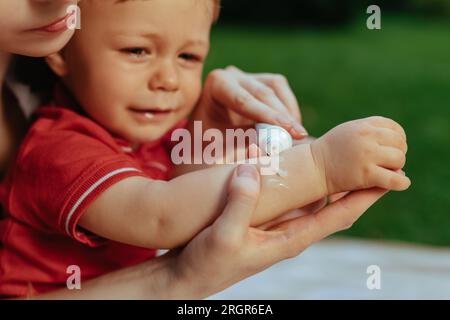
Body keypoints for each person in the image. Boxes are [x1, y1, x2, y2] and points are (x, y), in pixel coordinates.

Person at [0, 0, 399, 299]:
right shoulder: (59, 148)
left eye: (188, 56)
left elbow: (206, 187)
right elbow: (161, 214)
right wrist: (318, 167)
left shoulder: (141, 126)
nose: (168, 79)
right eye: (137, 51)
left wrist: (289, 154)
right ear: (61, 52)